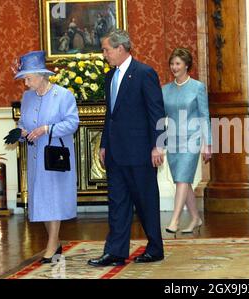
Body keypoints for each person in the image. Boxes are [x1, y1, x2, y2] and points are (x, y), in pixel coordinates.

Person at [88, 29, 166, 267]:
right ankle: (115, 252)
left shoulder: (144, 73)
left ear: (120, 48)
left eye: (106, 49)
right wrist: (104, 145)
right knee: (118, 204)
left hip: (141, 152)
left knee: (145, 201)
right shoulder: (110, 77)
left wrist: (158, 146)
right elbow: (109, 115)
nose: (104, 54)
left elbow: (157, 112)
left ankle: (155, 248)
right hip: (116, 153)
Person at [14, 50, 79, 263]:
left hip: (54, 157)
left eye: (28, 78)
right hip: (35, 156)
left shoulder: (63, 95)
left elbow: (72, 123)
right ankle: (56, 241)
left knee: (54, 200)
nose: (25, 83)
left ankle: (51, 245)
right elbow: (23, 123)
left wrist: (46, 129)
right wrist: (21, 132)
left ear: (42, 75)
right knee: (40, 201)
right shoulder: (27, 97)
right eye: (25, 79)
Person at [162, 48, 212, 236]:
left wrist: (208, 143)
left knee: (183, 178)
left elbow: (204, 116)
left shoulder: (197, 87)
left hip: (192, 139)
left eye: (178, 64)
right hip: (173, 140)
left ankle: (174, 219)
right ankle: (195, 218)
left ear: (186, 65)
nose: (174, 67)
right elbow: (159, 117)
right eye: (172, 64)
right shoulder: (165, 90)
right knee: (182, 180)